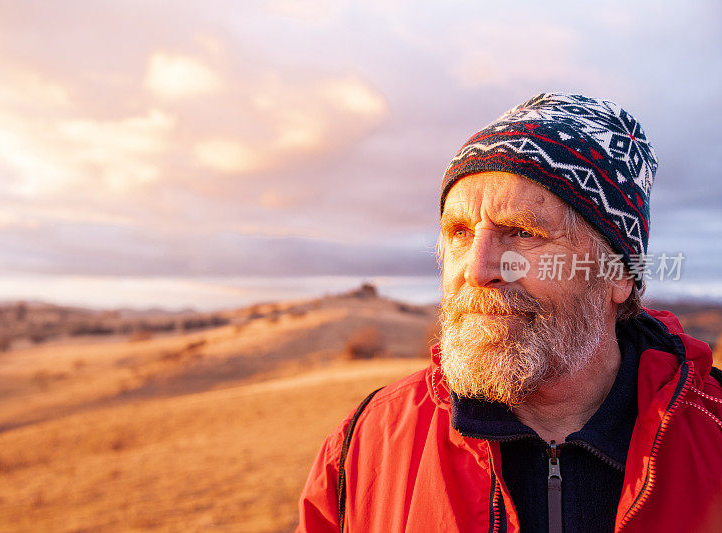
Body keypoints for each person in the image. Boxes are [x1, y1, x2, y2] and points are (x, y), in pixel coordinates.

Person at [296, 93, 722, 532]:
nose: (478, 270)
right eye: (460, 233)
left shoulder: (713, 438)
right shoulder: (365, 447)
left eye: (522, 231)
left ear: (619, 273)